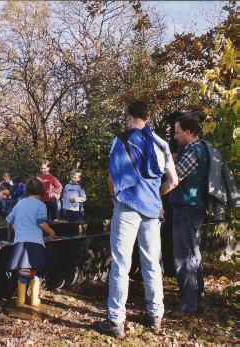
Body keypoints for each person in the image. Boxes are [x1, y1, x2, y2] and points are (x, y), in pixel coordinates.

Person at [98, 100, 178, 338]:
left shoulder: (120, 140)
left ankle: (115, 321)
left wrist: (115, 199)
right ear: (148, 118)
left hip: (126, 206)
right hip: (152, 211)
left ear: (128, 116)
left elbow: (113, 176)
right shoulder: (162, 144)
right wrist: (156, 198)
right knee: (152, 263)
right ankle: (155, 315)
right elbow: (173, 181)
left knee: (121, 264)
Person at [168, 114, 209, 316]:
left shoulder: (192, 151)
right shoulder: (198, 149)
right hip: (193, 208)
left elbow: (175, 177)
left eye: (178, 132)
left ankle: (187, 304)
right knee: (193, 255)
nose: (175, 136)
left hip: (186, 207)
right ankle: (198, 299)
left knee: (183, 257)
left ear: (189, 132)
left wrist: (167, 166)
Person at [6, 177, 55, 307]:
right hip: (36, 244)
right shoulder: (41, 205)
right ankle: (34, 299)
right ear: (41, 191)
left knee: (22, 271)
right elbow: (41, 223)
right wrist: (52, 233)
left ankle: (20, 300)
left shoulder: (19, 203)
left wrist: (10, 234)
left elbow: (9, 220)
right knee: (34, 272)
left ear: (27, 190)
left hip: (20, 243)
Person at [37, 160, 62, 224]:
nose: (43, 170)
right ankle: (46, 232)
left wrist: (53, 193)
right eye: (41, 168)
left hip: (51, 200)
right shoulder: (38, 178)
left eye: (44, 168)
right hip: (42, 201)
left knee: (54, 219)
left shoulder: (51, 177)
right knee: (45, 219)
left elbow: (59, 186)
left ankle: (54, 231)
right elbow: (35, 188)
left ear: (48, 168)